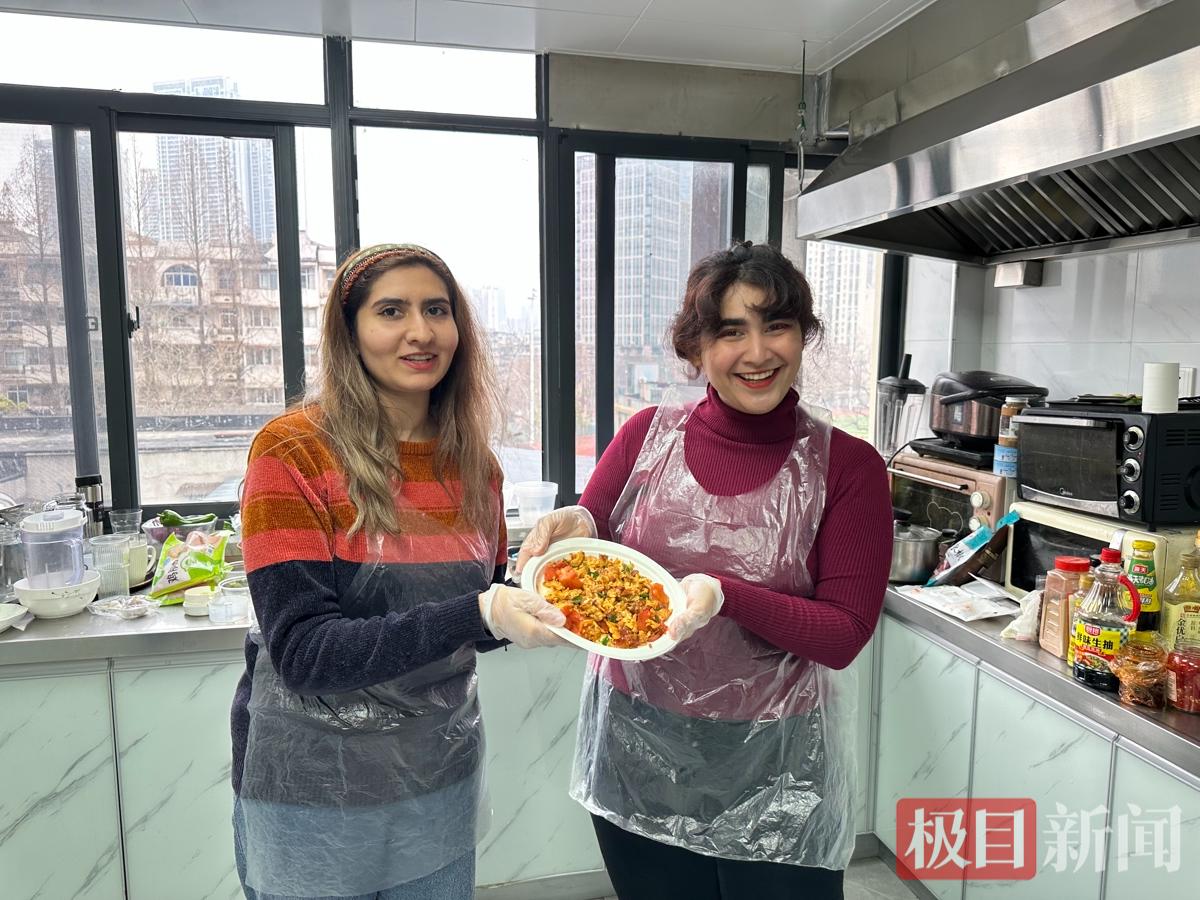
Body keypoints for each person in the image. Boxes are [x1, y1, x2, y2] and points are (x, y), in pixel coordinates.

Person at [518, 241, 892, 899]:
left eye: (777, 325)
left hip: (778, 761)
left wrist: (726, 596)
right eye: (730, 331)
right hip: (638, 745)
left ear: (802, 336)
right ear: (697, 348)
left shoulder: (848, 467)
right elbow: (593, 533)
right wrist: (576, 521)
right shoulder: (646, 436)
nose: (758, 352)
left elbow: (843, 635)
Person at [231, 243, 567, 900]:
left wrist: (546, 591)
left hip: (435, 776)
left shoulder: (475, 467)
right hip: (312, 787)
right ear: (351, 332)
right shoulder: (294, 452)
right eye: (391, 311)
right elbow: (303, 653)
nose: (421, 331)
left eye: (437, 310)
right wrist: (481, 611)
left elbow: (475, 617)